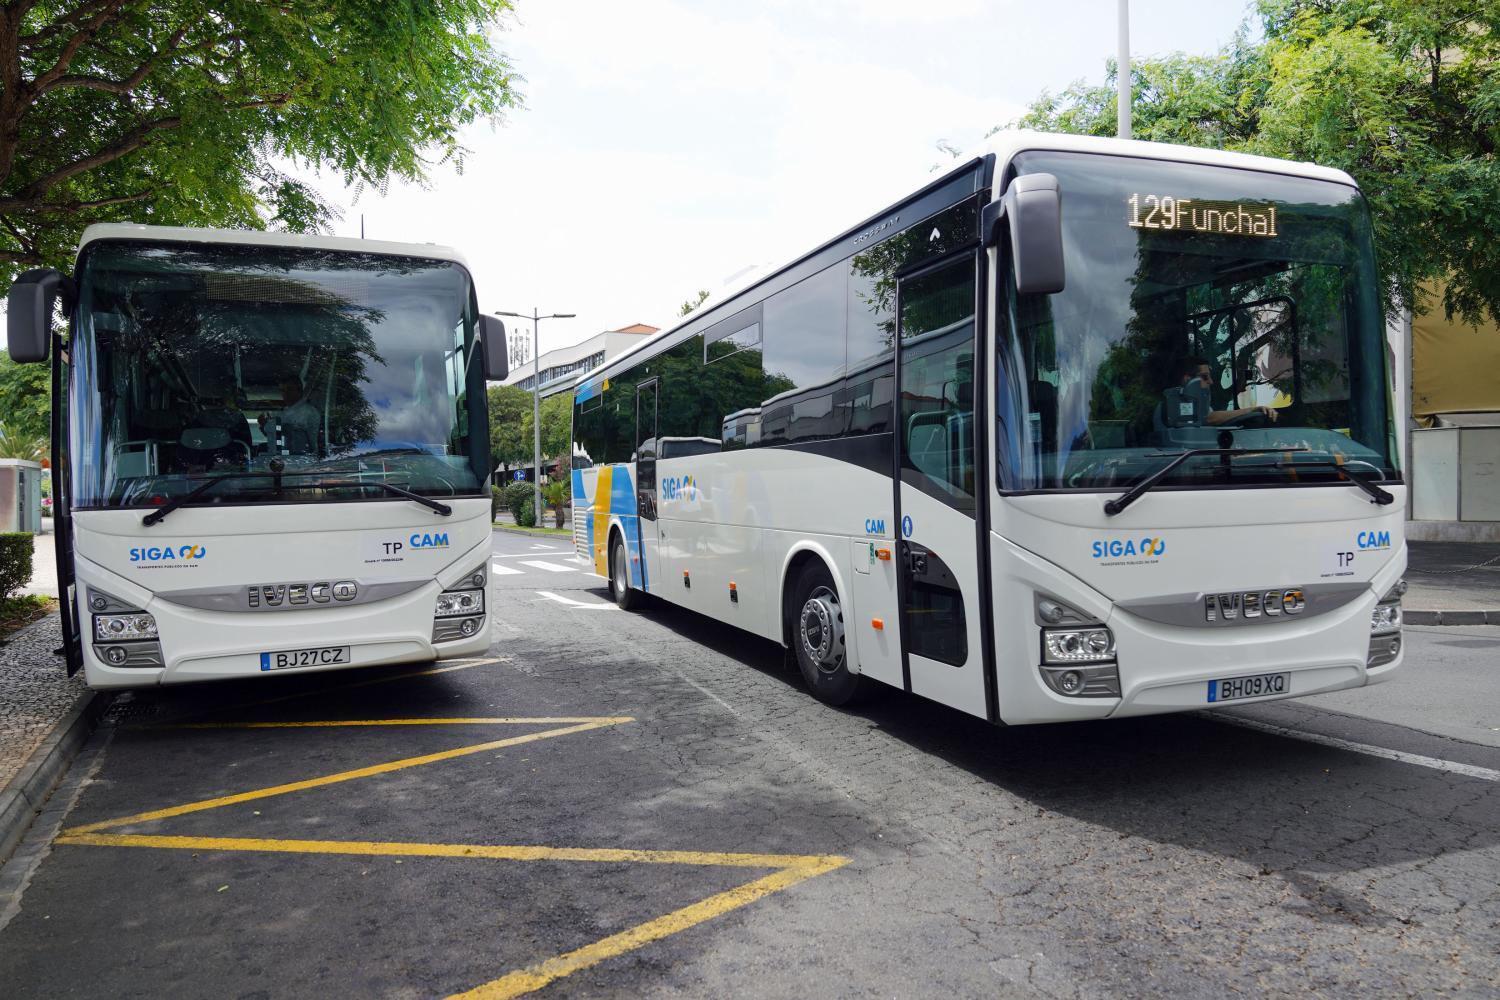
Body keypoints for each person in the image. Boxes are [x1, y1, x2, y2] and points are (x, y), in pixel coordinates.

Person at [1179, 357, 1279, 426]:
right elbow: (1210, 418)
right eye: (1205, 377)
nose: (1211, 381)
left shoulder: (1198, 403)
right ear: (1187, 380)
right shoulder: (1176, 402)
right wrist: (1252, 410)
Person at [273, 377, 321, 456]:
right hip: (283, 458)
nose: (286, 393)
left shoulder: (309, 412)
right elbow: (279, 438)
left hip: (303, 460)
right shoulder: (284, 412)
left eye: (290, 389)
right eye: (282, 390)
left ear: (299, 391)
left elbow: (313, 442)